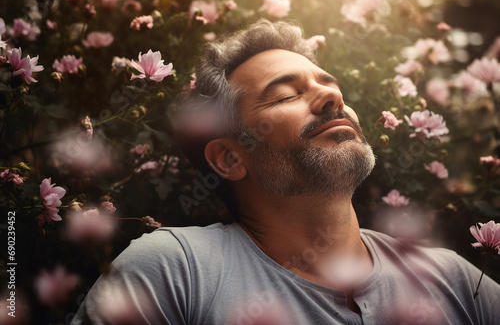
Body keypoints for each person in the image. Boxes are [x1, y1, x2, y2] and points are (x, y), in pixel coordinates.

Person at [72, 20, 500, 325]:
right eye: (285, 96)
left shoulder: (456, 281)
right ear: (229, 159)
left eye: (330, 84)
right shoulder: (173, 274)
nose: (331, 96)